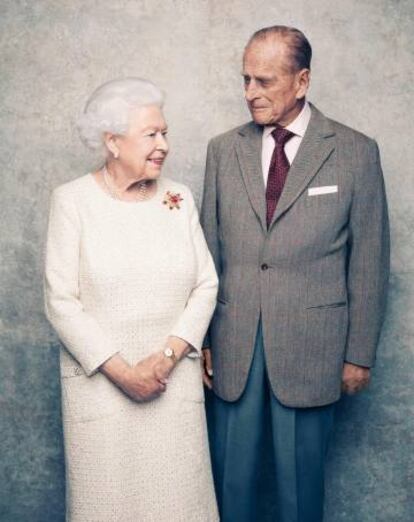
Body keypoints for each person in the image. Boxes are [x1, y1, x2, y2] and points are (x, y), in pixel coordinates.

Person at [201, 26, 390, 522]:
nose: (250, 93)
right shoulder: (223, 150)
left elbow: (370, 259)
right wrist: (203, 338)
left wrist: (358, 353)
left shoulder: (355, 151)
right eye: (245, 80)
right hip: (234, 341)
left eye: (264, 81)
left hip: (315, 347)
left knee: (300, 490)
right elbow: (207, 251)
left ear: (302, 81)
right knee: (230, 482)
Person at [44, 77, 219, 522]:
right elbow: (61, 301)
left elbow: (206, 284)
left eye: (165, 132)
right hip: (101, 393)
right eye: (151, 134)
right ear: (112, 142)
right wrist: (124, 373)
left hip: (171, 387)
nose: (163, 144)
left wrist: (163, 359)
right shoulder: (72, 202)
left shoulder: (179, 198)